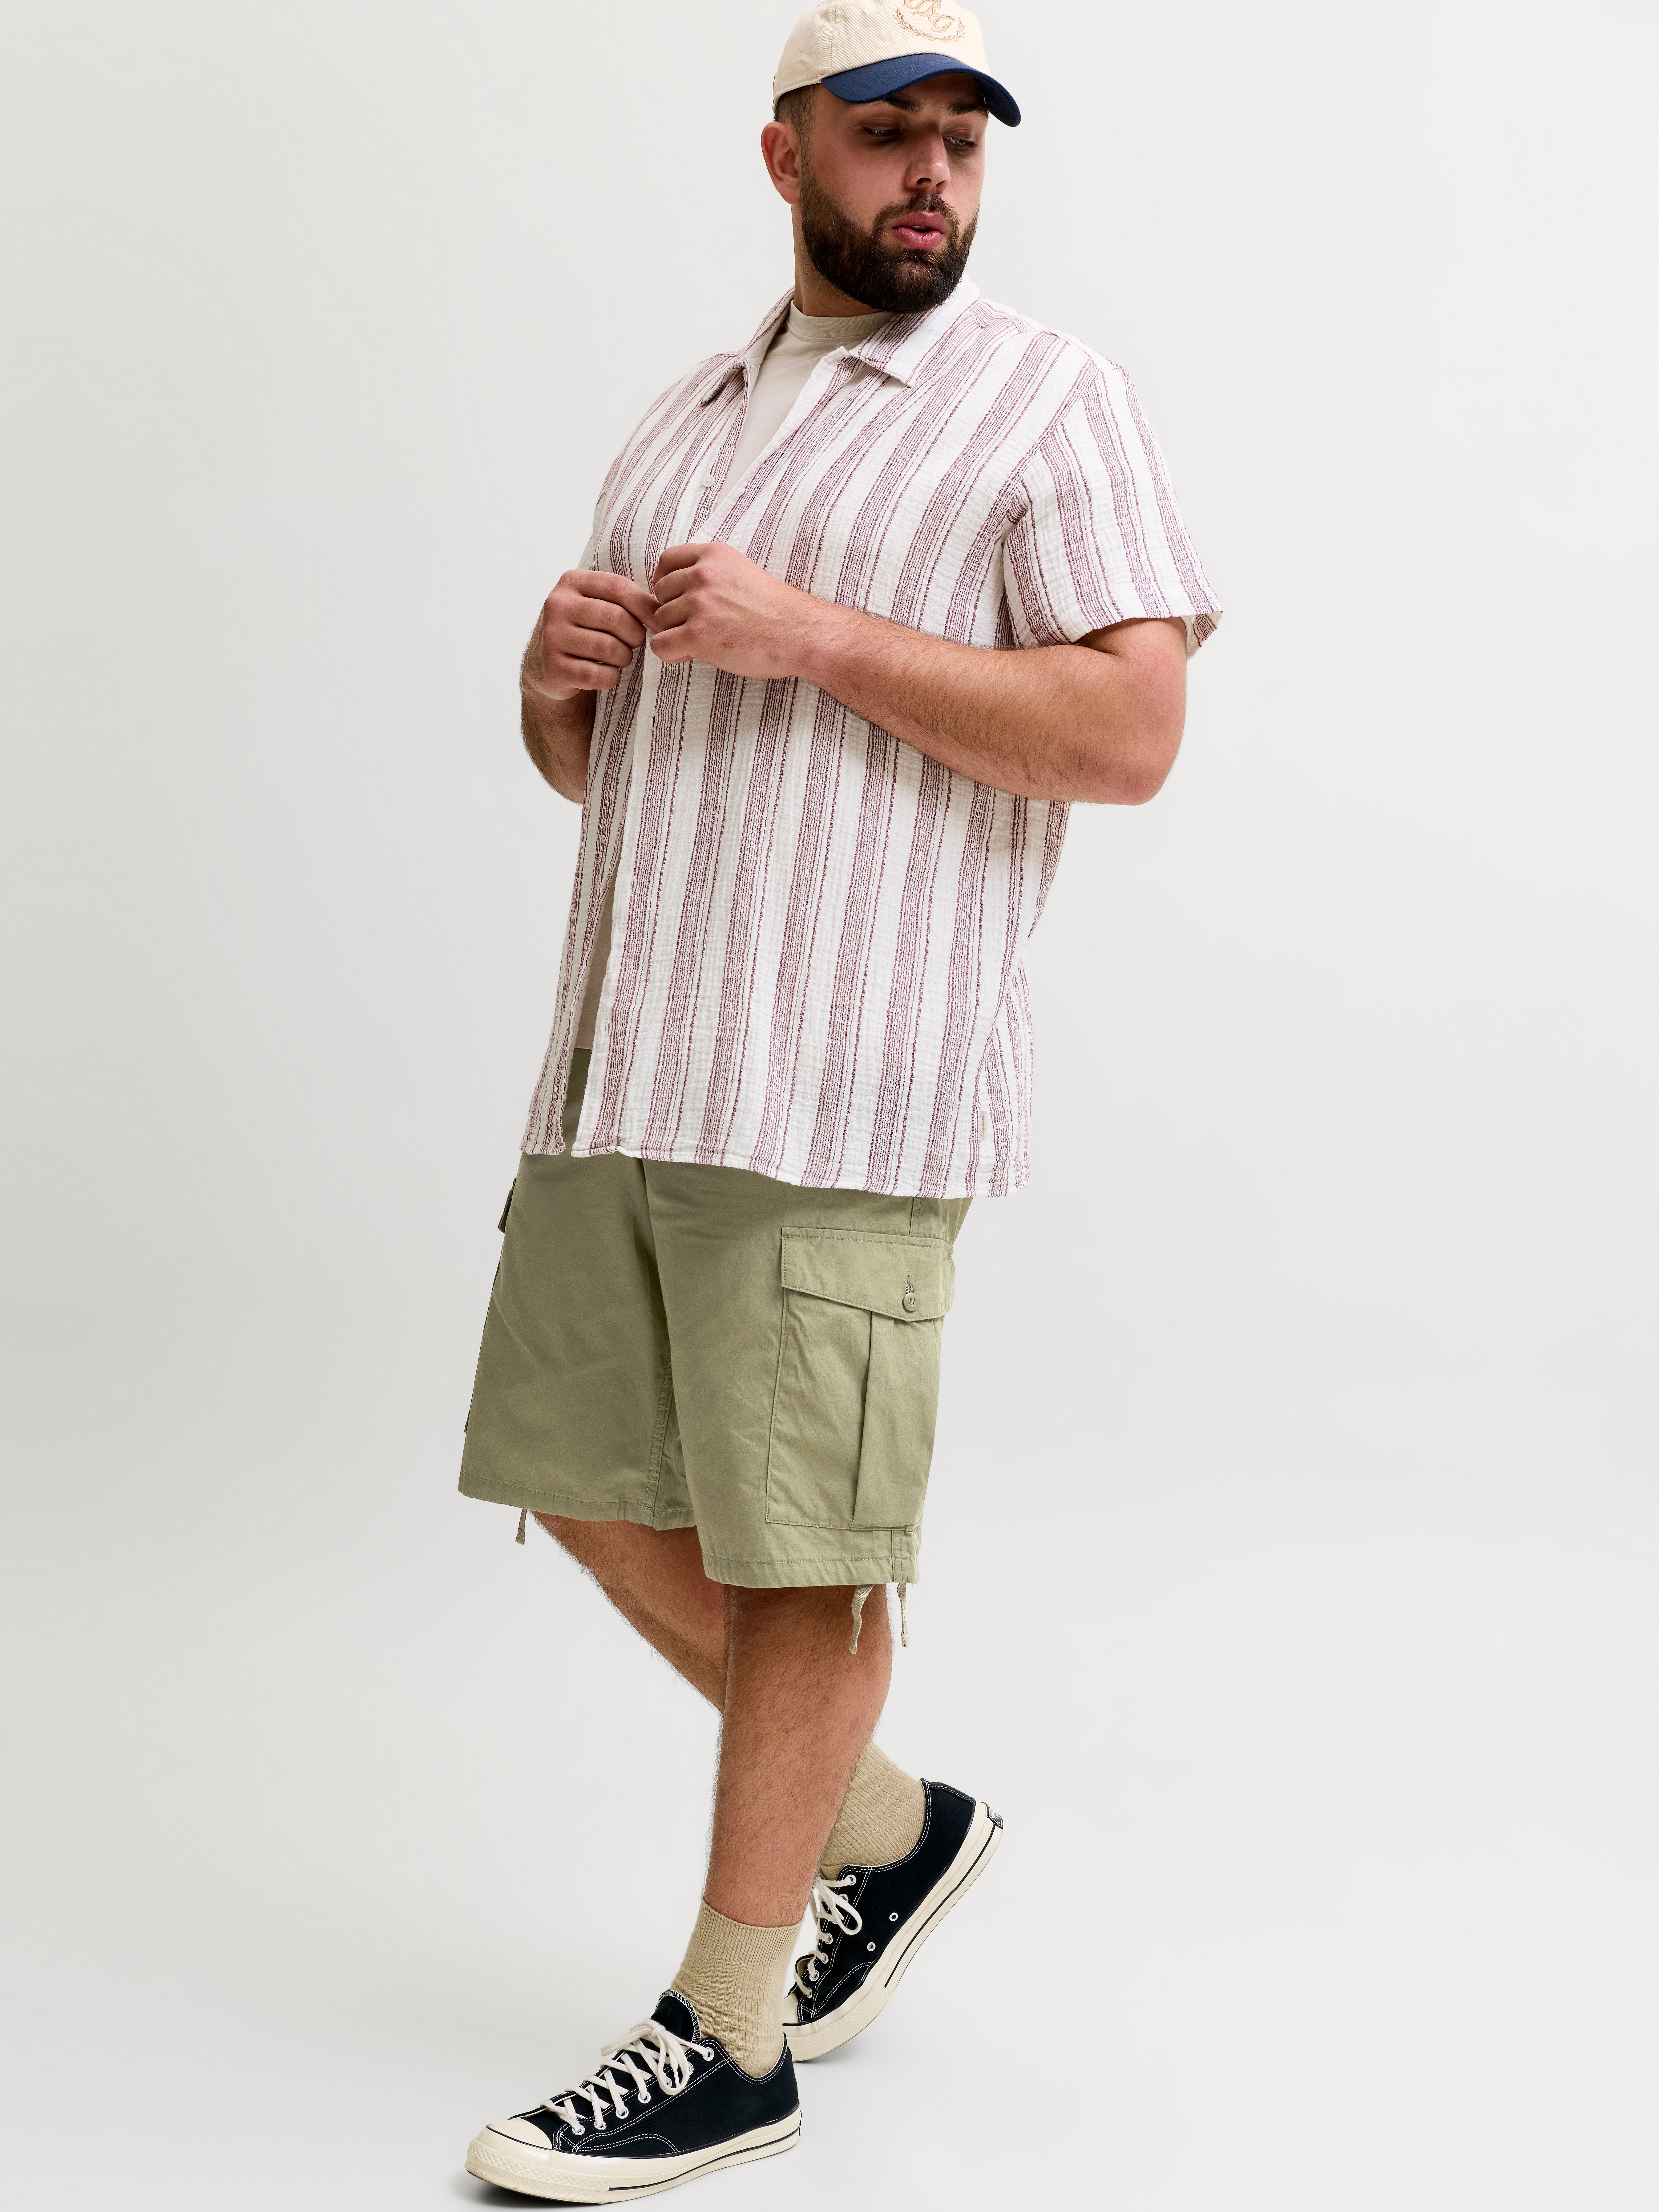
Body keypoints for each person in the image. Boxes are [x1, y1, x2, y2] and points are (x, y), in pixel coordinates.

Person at [458, 1, 1221, 2197]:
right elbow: (626, 778)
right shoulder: (684, 422)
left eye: (965, 139)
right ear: (785, 154)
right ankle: (887, 1828)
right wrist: (557, 697)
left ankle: (732, 2029)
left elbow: (1132, 737)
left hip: (844, 1082)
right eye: (891, 135)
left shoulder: (1044, 398)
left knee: (804, 1561)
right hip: (628, 1063)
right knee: (580, 1481)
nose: (935, 176)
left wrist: (822, 639)